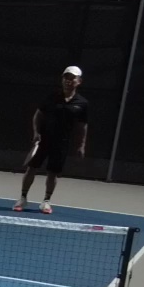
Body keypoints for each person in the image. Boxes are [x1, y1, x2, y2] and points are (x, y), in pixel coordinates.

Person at [15, 65, 90, 214]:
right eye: (66, 77)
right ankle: (22, 198)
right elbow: (37, 115)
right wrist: (36, 133)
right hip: (43, 140)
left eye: (72, 78)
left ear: (79, 81)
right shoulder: (52, 97)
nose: (68, 81)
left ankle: (46, 201)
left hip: (62, 142)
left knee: (53, 173)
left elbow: (83, 126)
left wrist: (81, 145)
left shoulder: (82, 103)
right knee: (31, 169)